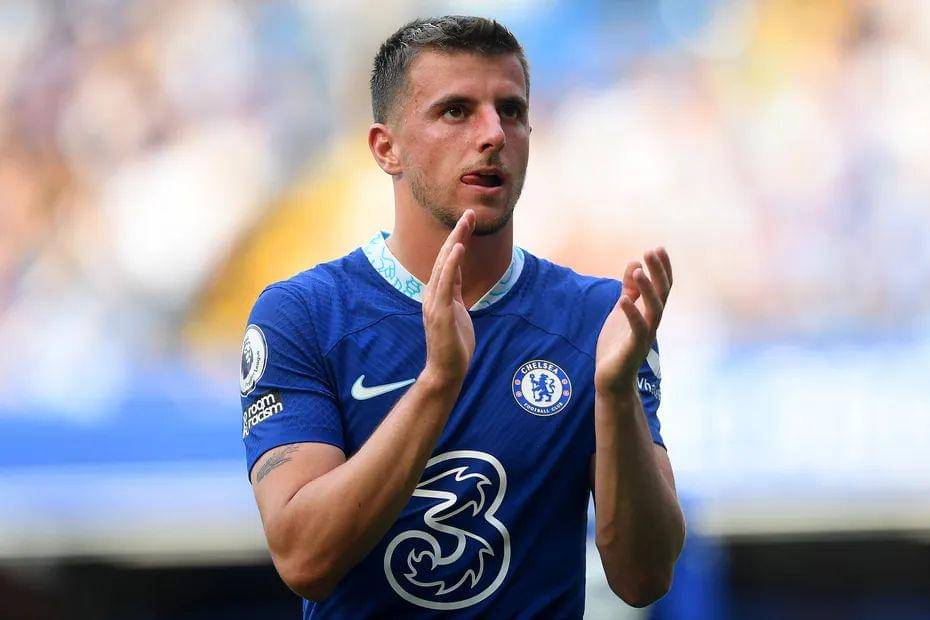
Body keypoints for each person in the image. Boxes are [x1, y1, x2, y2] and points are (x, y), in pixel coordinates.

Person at [240, 15, 685, 618]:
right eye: (456, 111)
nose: (493, 134)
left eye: (511, 110)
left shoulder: (598, 320)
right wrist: (438, 383)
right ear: (386, 148)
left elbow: (644, 578)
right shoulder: (303, 316)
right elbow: (305, 560)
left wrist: (615, 395)